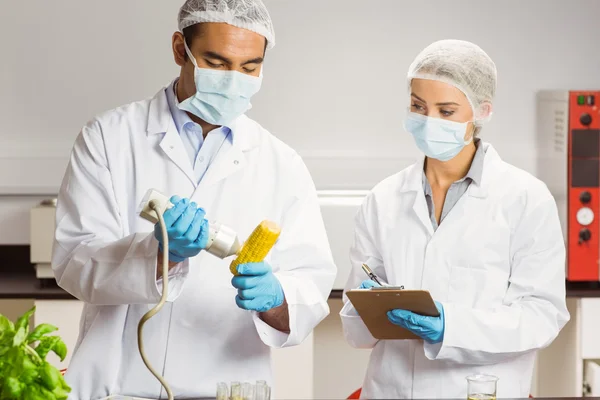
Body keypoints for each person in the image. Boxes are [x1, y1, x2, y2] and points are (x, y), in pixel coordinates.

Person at [52, 0, 336, 398]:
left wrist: (275, 299)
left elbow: (310, 287)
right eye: (217, 63)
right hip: (117, 385)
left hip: (227, 385)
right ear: (178, 49)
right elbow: (72, 261)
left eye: (249, 67)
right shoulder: (109, 138)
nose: (234, 79)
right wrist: (159, 256)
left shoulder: (282, 163)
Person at [340, 39, 569, 398]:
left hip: (478, 391)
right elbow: (356, 331)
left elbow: (541, 318)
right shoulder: (383, 198)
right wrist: (369, 307)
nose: (428, 121)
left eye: (446, 111)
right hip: (391, 389)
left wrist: (451, 325)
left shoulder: (526, 199)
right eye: (418, 106)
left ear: (482, 111)